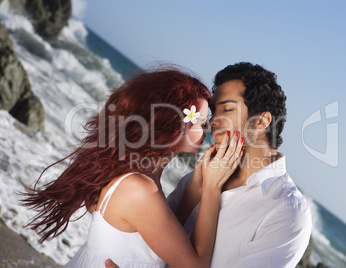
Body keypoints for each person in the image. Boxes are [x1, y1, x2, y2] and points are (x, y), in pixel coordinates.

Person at [22, 68, 245, 268]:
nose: (207, 130)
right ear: (177, 124)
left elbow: (156, 236)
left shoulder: (135, 175)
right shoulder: (139, 188)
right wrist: (212, 189)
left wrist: (194, 190)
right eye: (202, 122)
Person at [106, 62, 312, 268]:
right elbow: (150, 249)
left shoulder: (287, 212)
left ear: (261, 121)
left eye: (228, 109)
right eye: (214, 111)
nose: (213, 121)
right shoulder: (197, 178)